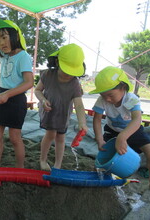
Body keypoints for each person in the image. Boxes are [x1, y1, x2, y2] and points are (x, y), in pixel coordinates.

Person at [90, 66, 150, 200]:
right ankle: (109, 179)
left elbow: (137, 119)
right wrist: (99, 138)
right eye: (104, 95)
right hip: (112, 131)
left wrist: (123, 136)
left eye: (110, 95)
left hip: (133, 130)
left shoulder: (131, 99)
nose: (107, 99)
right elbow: (97, 119)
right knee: (106, 159)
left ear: (123, 88)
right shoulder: (102, 100)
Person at [0, 19, 34, 168]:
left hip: (16, 98)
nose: (2, 43)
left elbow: (29, 82)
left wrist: (8, 94)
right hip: (2, 94)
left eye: (5, 37)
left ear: (15, 37)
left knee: (14, 137)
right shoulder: (5, 55)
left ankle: (20, 167)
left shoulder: (23, 56)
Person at [34, 43, 88, 171]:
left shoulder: (74, 83)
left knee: (61, 137)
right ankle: (43, 160)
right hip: (49, 111)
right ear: (58, 62)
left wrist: (82, 122)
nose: (69, 74)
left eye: (72, 71)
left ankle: (58, 164)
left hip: (63, 114)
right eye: (66, 69)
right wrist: (43, 100)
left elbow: (79, 104)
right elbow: (37, 90)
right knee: (50, 134)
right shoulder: (48, 75)